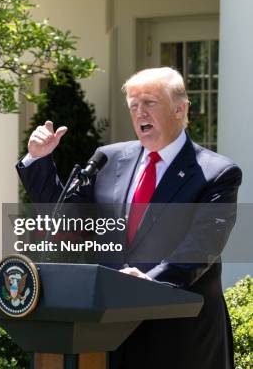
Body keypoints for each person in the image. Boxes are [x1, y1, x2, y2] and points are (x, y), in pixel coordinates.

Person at [16, 67, 241, 369]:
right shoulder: (109, 158)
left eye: (149, 102)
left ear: (180, 109)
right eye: (133, 106)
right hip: (109, 331)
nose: (139, 113)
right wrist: (39, 160)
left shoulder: (216, 173)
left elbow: (202, 246)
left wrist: (148, 283)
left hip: (180, 335)